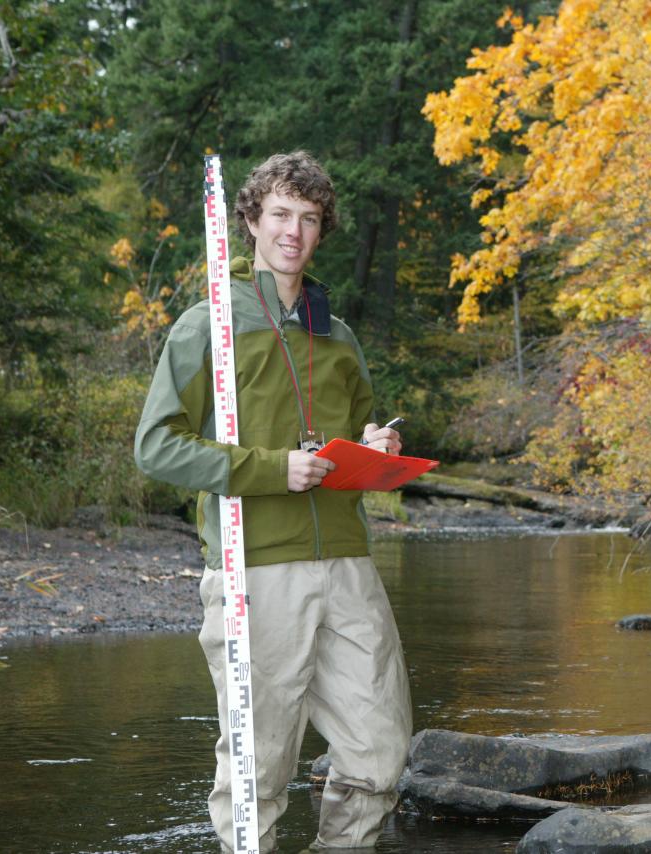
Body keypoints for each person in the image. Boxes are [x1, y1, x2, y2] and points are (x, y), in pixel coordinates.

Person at [134, 150, 412, 852]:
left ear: (322, 230)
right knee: (259, 765)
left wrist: (373, 447)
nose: (294, 230)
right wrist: (269, 470)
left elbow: (351, 437)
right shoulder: (209, 324)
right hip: (255, 565)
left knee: (381, 750)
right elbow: (156, 447)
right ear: (252, 221)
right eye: (281, 214)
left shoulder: (336, 334)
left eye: (309, 218)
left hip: (347, 562)